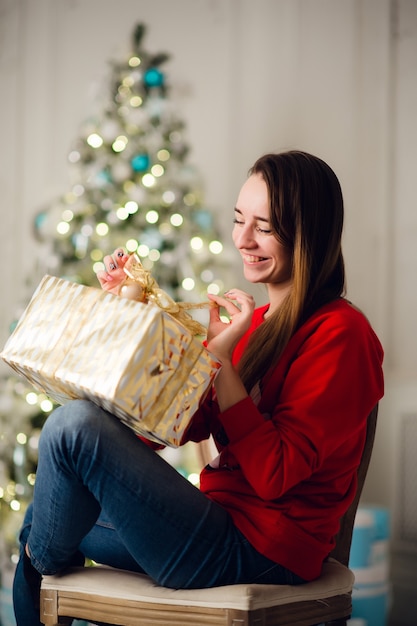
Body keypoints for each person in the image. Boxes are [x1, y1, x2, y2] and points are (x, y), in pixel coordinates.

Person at [13, 150, 384, 625]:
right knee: (43, 515)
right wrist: (128, 317)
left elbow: (276, 474)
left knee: (72, 426)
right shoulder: (256, 327)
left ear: (307, 233)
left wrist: (221, 363)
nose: (242, 240)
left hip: (265, 552)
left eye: (264, 227)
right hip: (215, 522)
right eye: (238, 220)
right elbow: (165, 427)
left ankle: (48, 601)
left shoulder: (343, 334)